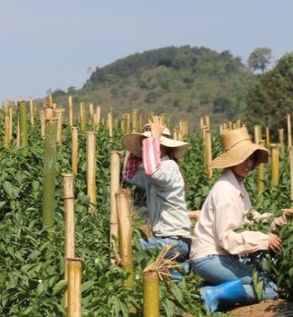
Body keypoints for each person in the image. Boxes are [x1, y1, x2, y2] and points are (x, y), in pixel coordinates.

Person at [190, 126, 292, 313]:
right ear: (231, 161)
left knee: (263, 273)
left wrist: (281, 218)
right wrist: (264, 239)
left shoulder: (235, 185)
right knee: (268, 288)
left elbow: (251, 218)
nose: (248, 164)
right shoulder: (226, 191)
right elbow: (228, 240)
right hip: (211, 257)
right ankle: (214, 292)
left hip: (216, 256)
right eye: (242, 158)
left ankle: (212, 286)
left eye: (251, 158)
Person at [122, 117, 191, 263]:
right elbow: (129, 175)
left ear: (163, 147)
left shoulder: (169, 167)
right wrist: (135, 152)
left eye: (146, 145)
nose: (143, 149)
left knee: (127, 248)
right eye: (143, 145)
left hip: (173, 242)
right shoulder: (154, 176)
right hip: (170, 241)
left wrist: (153, 140)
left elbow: (153, 171)